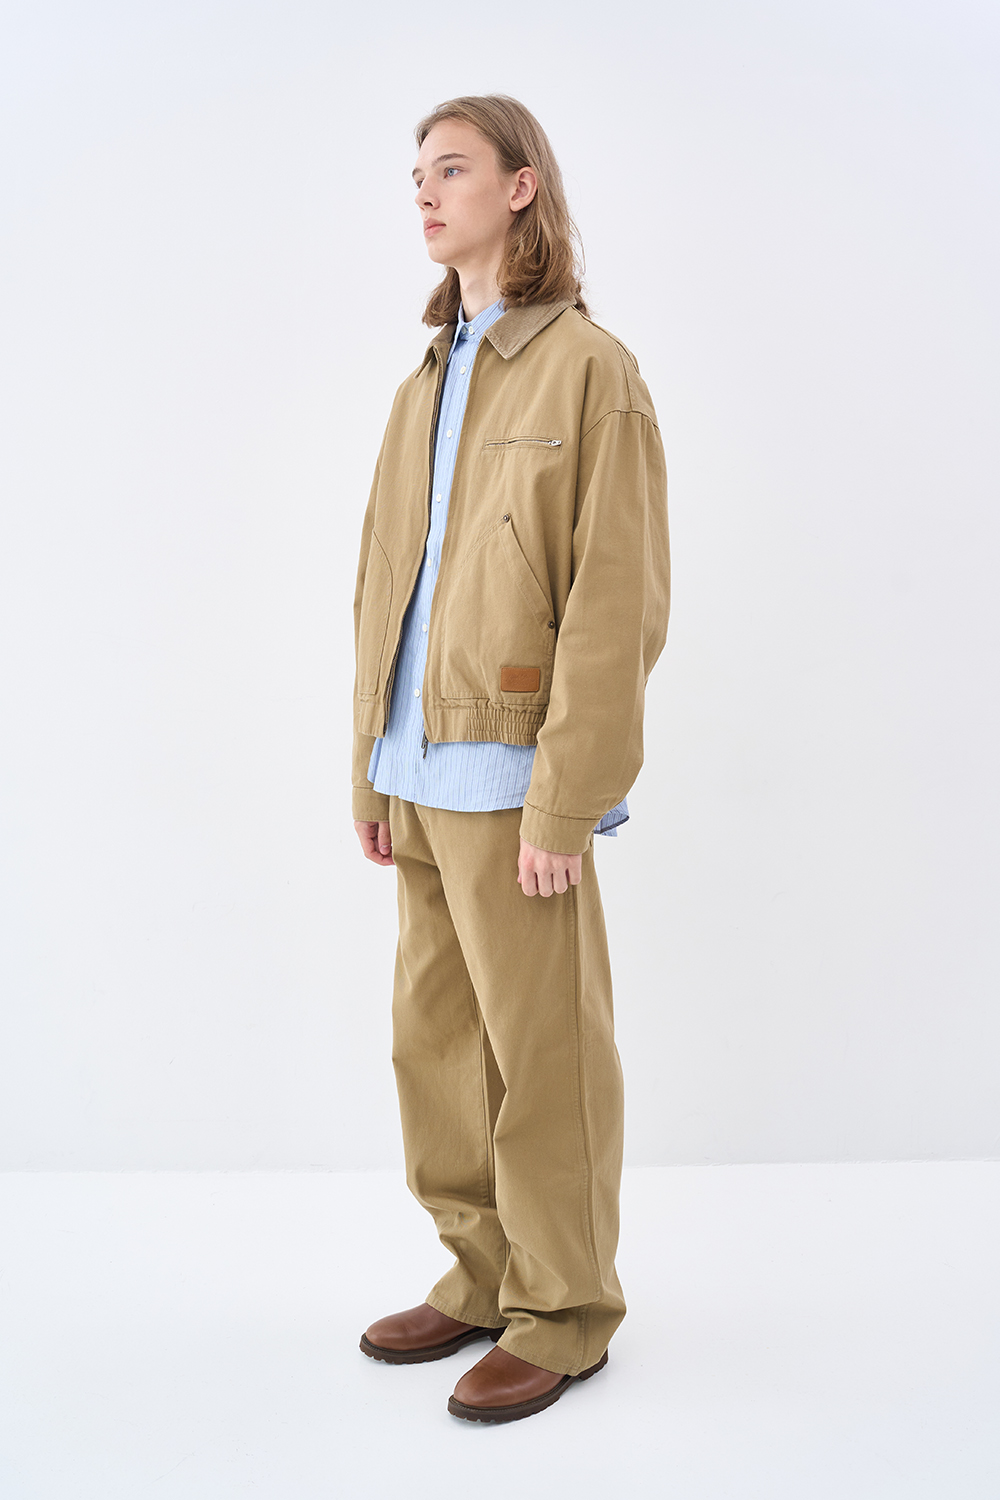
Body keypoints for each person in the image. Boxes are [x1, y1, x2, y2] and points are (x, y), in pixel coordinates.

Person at [351, 94, 670, 1424]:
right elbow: (385, 582)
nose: (426, 194)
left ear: (523, 186)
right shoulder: (427, 377)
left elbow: (616, 601)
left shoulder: (589, 369)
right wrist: (367, 767)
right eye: (417, 175)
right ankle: (482, 1273)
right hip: (416, 769)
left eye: (454, 169)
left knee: (545, 1055)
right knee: (434, 1046)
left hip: (514, 775)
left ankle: (565, 1308)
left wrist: (568, 798)